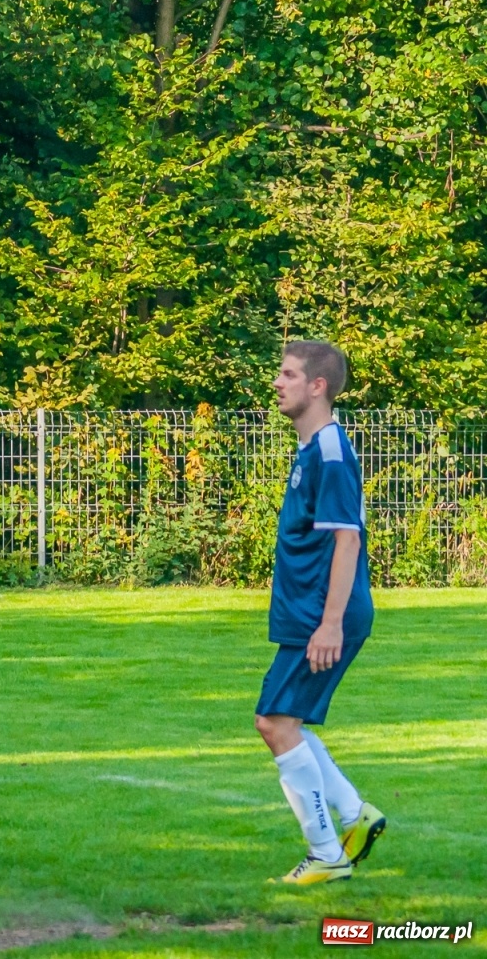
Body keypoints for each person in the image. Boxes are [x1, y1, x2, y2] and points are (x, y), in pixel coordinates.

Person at [257, 340, 385, 886]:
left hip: (322, 615)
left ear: (318, 386)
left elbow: (347, 541)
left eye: (288, 374)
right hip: (308, 612)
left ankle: (327, 852)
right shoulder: (312, 447)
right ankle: (356, 814)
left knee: (275, 723)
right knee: (286, 721)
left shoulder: (330, 451)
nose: (277, 383)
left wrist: (330, 624)